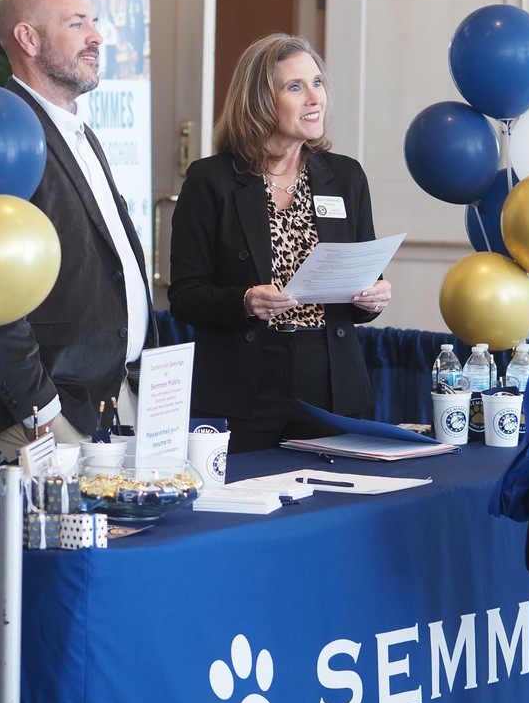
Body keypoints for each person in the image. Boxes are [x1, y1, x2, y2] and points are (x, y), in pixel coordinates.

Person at [168, 33, 392, 453]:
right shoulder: (211, 180)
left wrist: (372, 298)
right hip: (246, 382)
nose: (314, 98)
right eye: (295, 87)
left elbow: (361, 283)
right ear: (259, 101)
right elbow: (184, 295)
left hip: (331, 379)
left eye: (317, 83)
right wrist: (246, 301)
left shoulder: (345, 177)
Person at [0, 0, 157, 458]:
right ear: (28, 39)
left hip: (120, 401)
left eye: (94, 22)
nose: (97, 37)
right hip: (54, 420)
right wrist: (41, 407)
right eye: (77, 24)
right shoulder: (3, 134)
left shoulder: (81, 133)